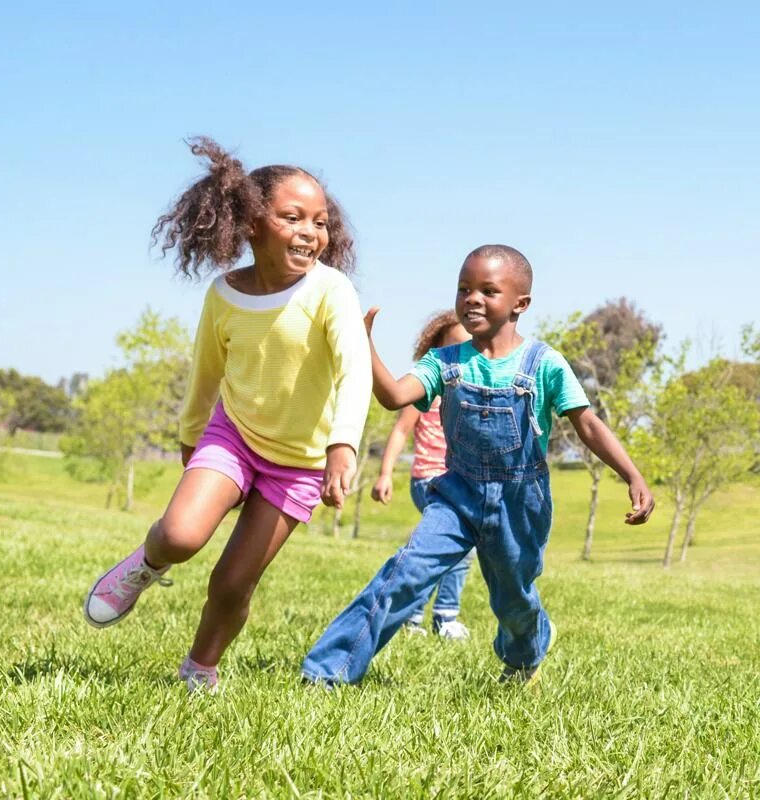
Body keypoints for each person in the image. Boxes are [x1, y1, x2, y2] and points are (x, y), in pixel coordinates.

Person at [83, 137, 371, 693]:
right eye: (293, 217)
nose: (311, 232)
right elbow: (205, 373)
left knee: (232, 582)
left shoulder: (332, 290)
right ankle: (146, 564)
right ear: (251, 223)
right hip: (234, 437)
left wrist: (343, 445)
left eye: (320, 221)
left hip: (301, 463)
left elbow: (353, 369)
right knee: (182, 535)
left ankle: (199, 667)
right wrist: (192, 437)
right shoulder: (224, 294)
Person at [302, 244, 654, 687]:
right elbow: (394, 396)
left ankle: (525, 656)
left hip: (519, 502)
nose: (472, 298)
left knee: (513, 599)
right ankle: (328, 672)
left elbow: (587, 424)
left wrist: (633, 475)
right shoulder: (444, 362)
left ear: (520, 304)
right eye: (464, 289)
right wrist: (364, 343)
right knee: (403, 575)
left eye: (488, 290)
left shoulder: (544, 364)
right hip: (456, 494)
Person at [371, 310, 475, 640]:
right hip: (428, 477)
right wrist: (385, 473)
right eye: (455, 345)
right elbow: (401, 431)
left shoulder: (471, 390)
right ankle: (444, 616)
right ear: (437, 349)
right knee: (457, 544)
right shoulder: (424, 387)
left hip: (458, 477)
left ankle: (414, 615)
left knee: (439, 546)